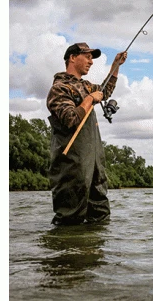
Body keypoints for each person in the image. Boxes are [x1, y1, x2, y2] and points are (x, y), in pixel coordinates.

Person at [46, 42, 127, 226]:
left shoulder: (86, 86)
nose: (91, 62)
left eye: (92, 58)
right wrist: (90, 99)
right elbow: (70, 118)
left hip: (93, 164)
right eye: (87, 57)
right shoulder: (59, 88)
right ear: (73, 58)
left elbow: (105, 90)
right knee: (70, 218)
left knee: (100, 213)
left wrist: (116, 66)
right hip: (71, 166)